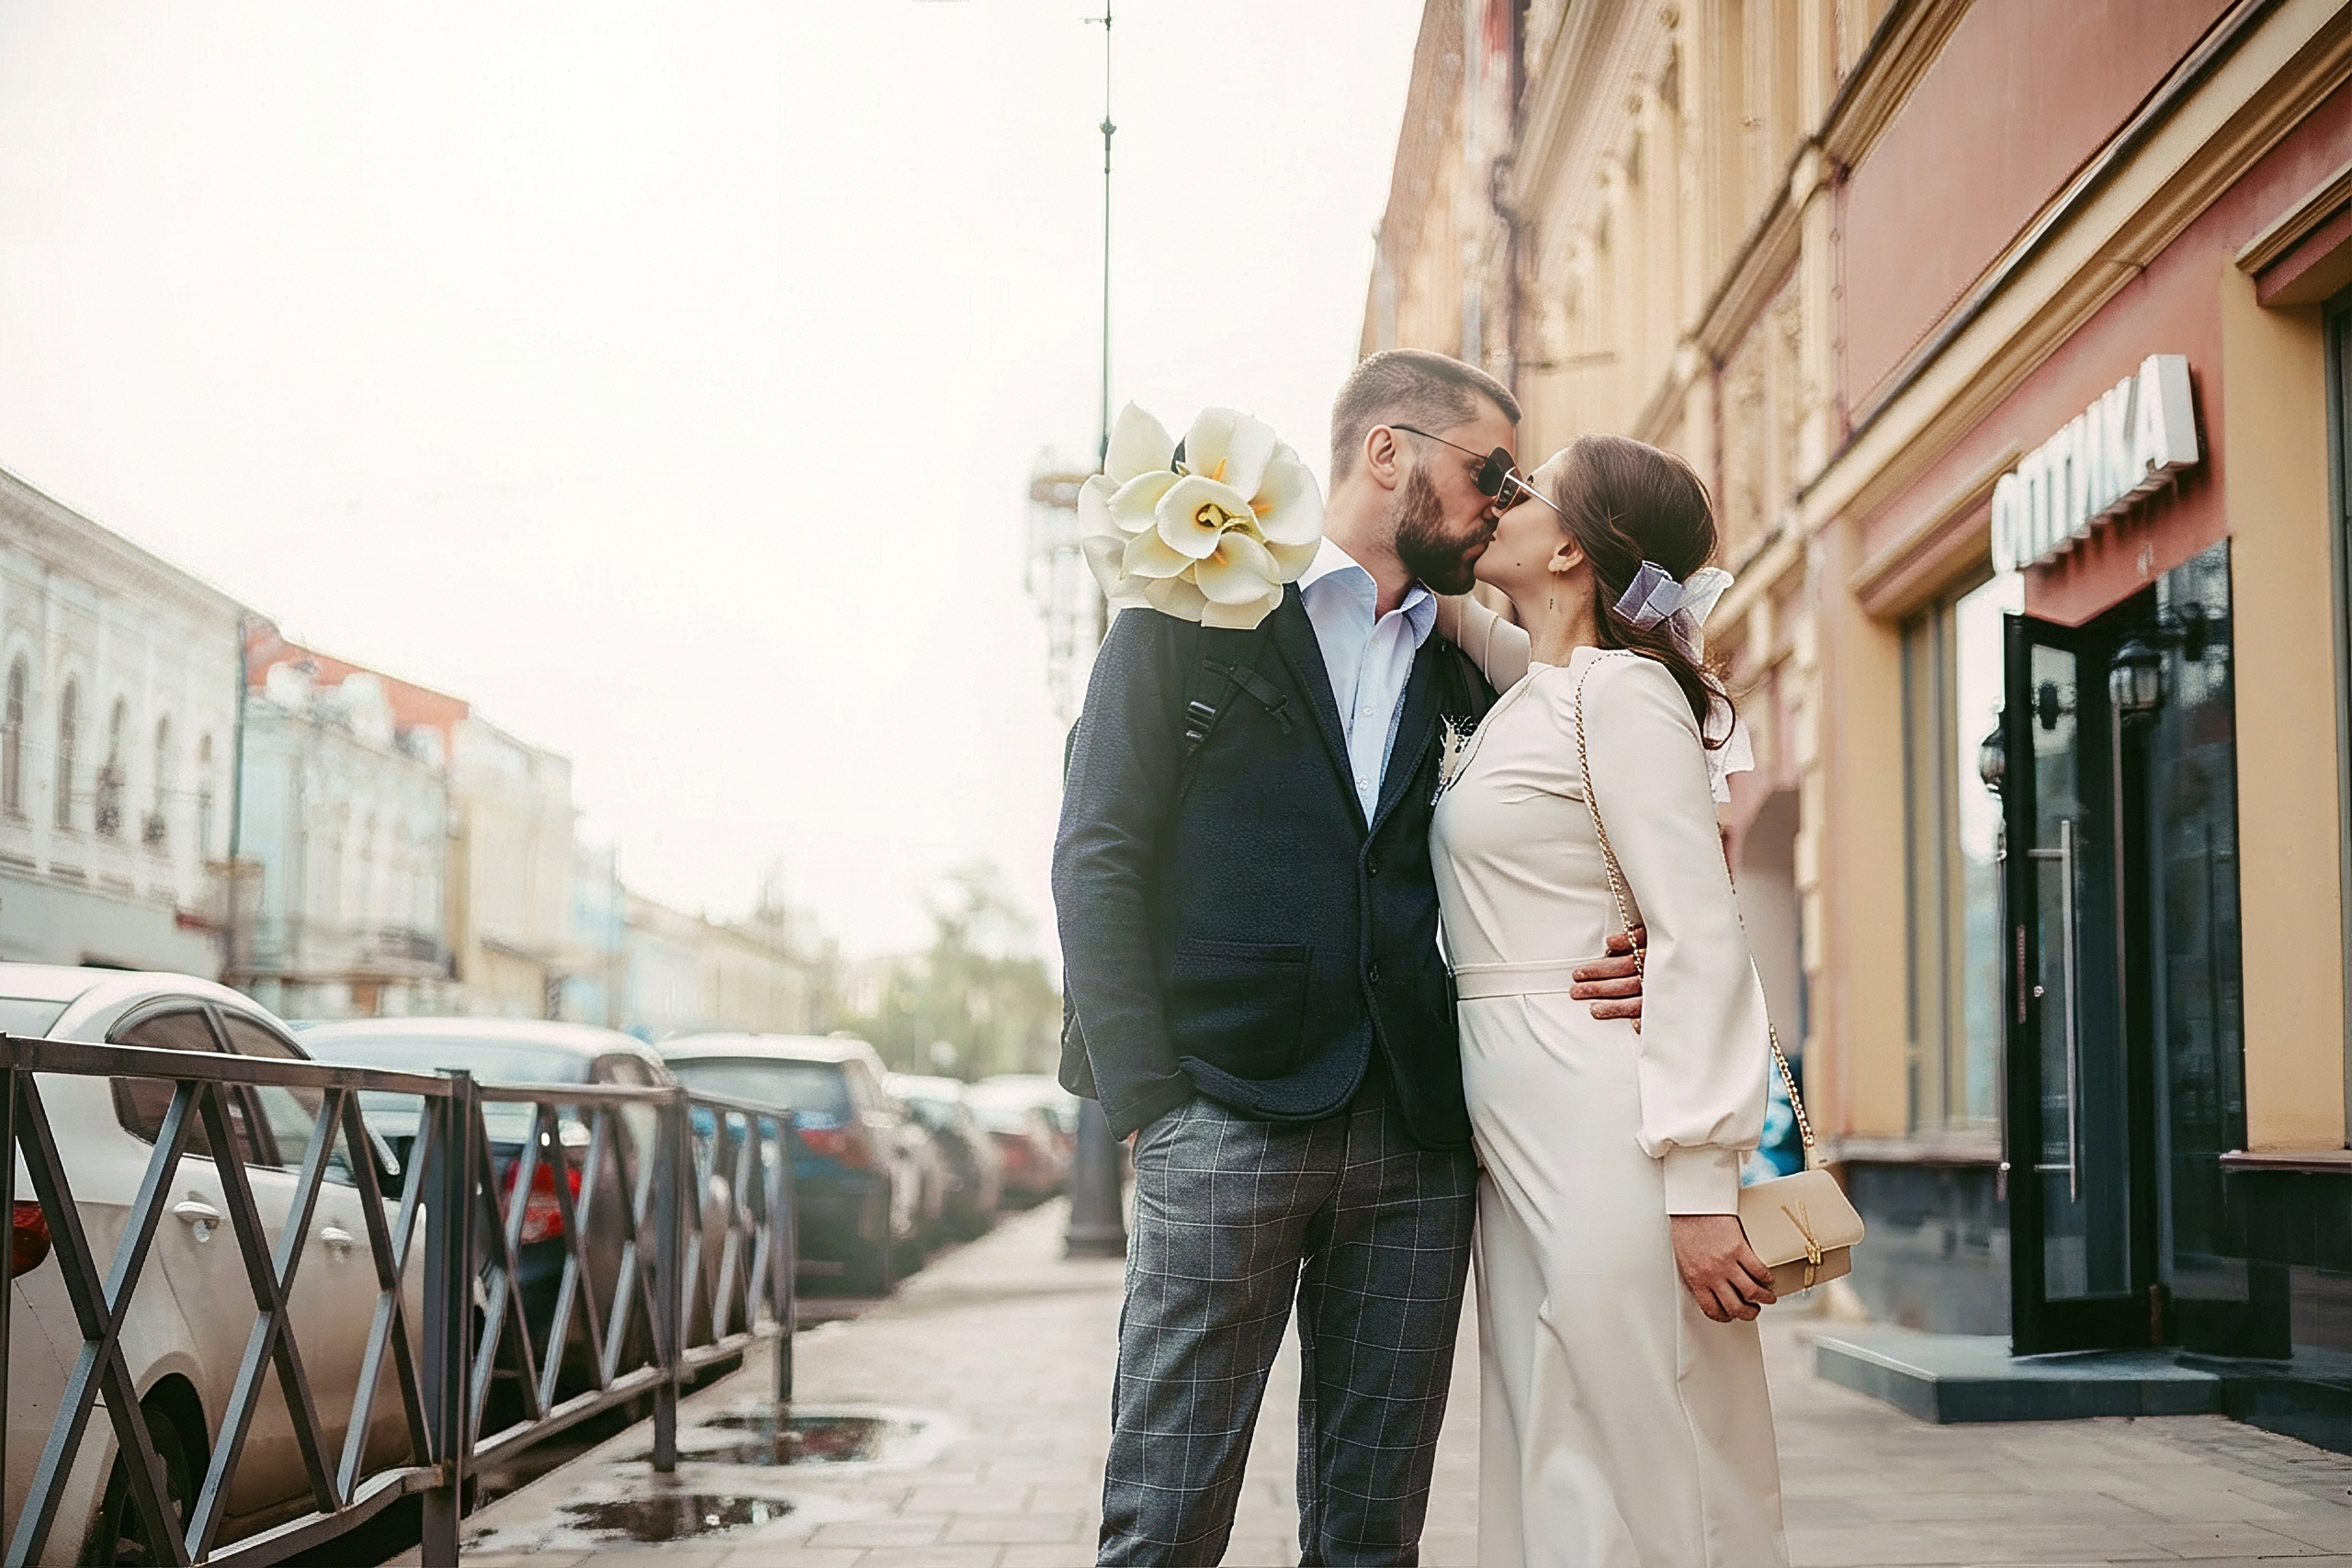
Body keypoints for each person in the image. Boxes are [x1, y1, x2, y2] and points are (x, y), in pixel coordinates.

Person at [1052, 350, 1636, 1566]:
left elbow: (1569, 822)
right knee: (1163, 1517)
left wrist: (1627, 930)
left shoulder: (1466, 660)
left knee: (1374, 1531)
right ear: (1389, 451)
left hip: (1416, 1136)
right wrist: (1149, 1092)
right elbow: (1096, 850)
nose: (1502, 499)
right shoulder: (1188, 615)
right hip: (1223, 1112)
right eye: (1489, 469)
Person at [1430, 433, 1786, 1566]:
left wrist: (1696, 1183)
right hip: (1515, 1117)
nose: (1502, 503)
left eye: (1521, 492)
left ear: (1572, 546)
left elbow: (1698, 932)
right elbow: (1420, 590)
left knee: (1646, 1437)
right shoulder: (1532, 689)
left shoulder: (1625, 693)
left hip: (1602, 1119)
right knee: (1552, 1435)